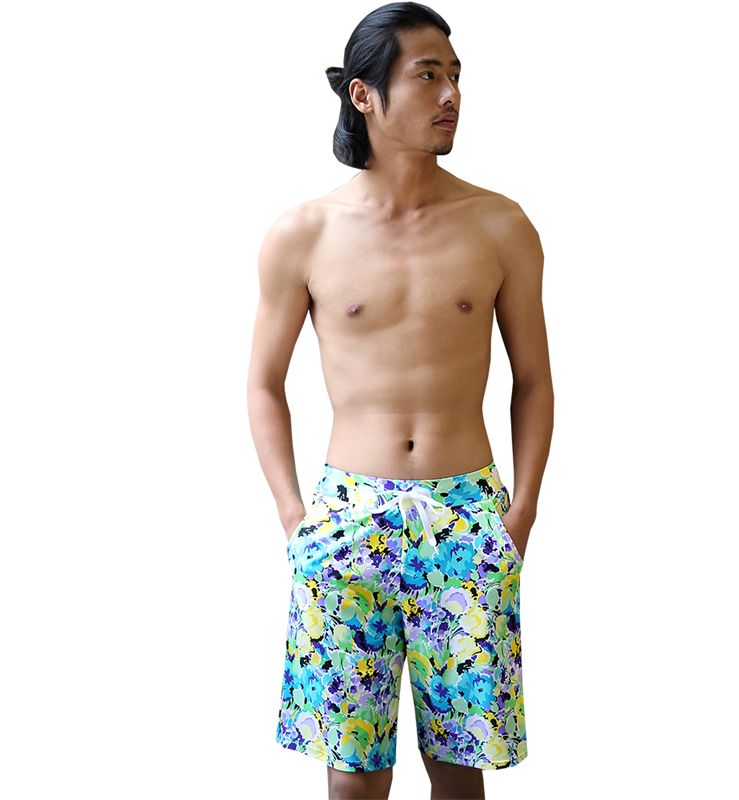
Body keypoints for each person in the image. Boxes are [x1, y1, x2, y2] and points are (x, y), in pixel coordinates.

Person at [246, 3, 554, 798]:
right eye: (427, 75)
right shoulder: (304, 233)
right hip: (347, 514)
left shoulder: (500, 225)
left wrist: (520, 514)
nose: (450, 94)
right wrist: (295, 519)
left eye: (455, 75)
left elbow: (532, 379)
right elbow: (263, 383)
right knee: (353, 778)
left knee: (459, 771)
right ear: (364, 95)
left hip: (466, 512)